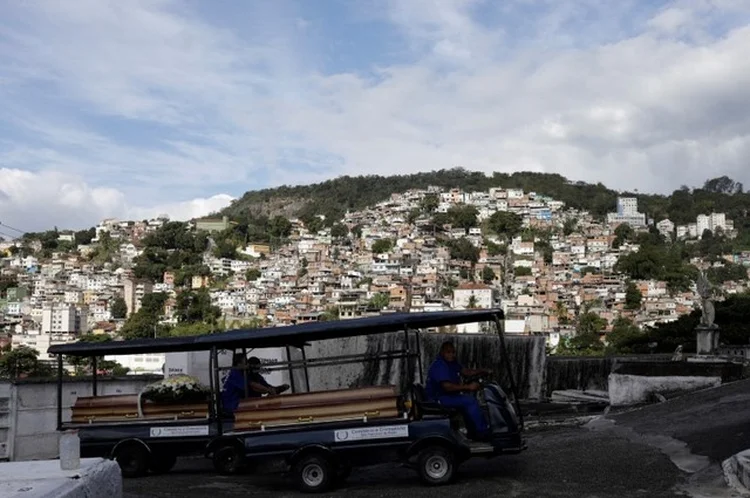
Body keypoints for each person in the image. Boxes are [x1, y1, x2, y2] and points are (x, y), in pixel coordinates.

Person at [425, 341, 492, 440]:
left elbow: (466, 372)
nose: (451, 354)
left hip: (447, 396)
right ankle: (483, 432)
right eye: (448, 352)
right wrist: (468, 387)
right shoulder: (440, 365)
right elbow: (447, 387)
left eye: (453, 352)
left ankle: (473, 432)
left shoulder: (451, 362)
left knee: (469, 400)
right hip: (438, 399)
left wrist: (482, 370)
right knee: (470, 401)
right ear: (442, 352)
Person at [220, 354, 290, 417]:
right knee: (262, 405)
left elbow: (266, 386)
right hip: (233, 406)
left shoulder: (255, 376)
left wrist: (278, 388)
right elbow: (253, 386)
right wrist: (268, 390)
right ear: (238, 364)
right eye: (246, 363)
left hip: (241, 403)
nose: (248, 365)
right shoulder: (235, 373)